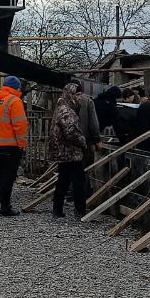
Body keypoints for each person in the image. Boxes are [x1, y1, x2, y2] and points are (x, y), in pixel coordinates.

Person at [0, 75, 28, 216]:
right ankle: (5, 207)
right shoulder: (14, 101)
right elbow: (20, 126)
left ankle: (3, 205)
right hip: (10, 146)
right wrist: (22, 145)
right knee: (9, 177)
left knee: (1, 176)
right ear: (16, 88)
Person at [47, 82, 88, 218]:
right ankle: (80, 210)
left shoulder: (62, 108)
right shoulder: (67, 110)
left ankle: (57, 209)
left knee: (63, 180)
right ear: (71, 94)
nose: (79, 97)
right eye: (77, 94)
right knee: (78, 181)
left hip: (64, 151)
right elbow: (70, 132)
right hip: (70, 151)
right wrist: (83, 141)